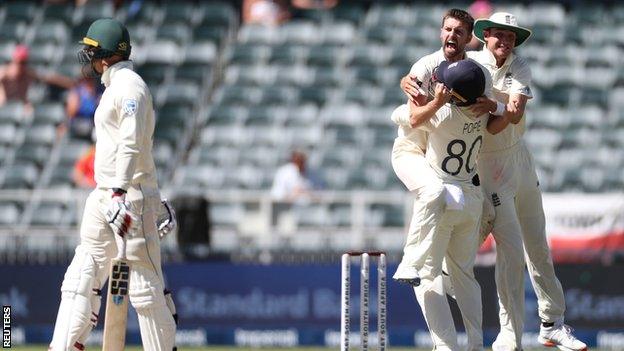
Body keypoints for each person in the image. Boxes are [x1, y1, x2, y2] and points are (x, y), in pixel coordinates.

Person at [48, 18, 177, 351]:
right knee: (80, 279)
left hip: (129, 198)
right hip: (104, 196)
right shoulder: (113, 89)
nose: (88, 60)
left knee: (146, 291)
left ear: (104, 56)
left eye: (91, 52)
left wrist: (121, 193)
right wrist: (112, 193)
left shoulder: (131, 88)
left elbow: (132, 144)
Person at [468, 12, 587, 351]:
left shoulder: (519, 66)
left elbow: (516, 112)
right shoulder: (471, 64)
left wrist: (494, 102)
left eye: (511, 37)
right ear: (486, 35)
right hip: (489, 164)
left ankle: (552, 324)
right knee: (510, 252)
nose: (505, 42)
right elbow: (440, 76)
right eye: (499, 35)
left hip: (520, 158)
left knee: (538, 246)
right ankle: (509, 336)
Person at [391, 58, 504, 351]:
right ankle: (477, 344)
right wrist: (493, 105)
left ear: (453, 95)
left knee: (427, 278)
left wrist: (433, 101)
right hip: (471, 200)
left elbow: (402, 116)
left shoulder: (443, 117)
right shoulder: (482, 114)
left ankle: (446, 347)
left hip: (445, 200)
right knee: (465, 276)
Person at [0, 45, 74, 112]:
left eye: (23, 63)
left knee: (31, 110)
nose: (20, 65)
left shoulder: (28, 73)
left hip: (21, 106)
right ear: (13, 60)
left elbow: (49, 77)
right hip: (4, 106)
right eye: (18, 62)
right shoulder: (3, 73)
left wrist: (70, 83)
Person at [66, 76, 103, 140]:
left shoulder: (98, 92)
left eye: (91, 79)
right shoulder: (77, 91)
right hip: (78, 122)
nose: (89, 81)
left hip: (93, 123)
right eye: (86, 79)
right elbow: (71, 112)